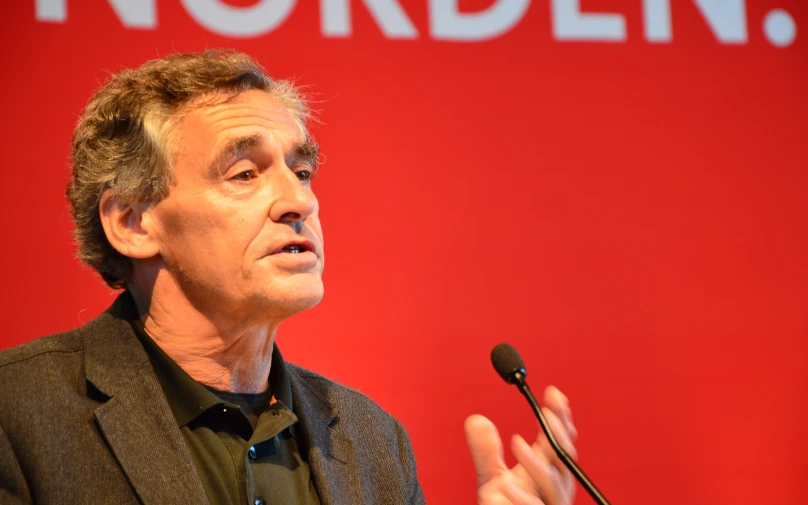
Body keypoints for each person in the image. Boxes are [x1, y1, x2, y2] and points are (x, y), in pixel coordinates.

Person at [0, 50, 578, 505]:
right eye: (245, 172)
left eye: (302, 171)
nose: (296, 200)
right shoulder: (20, 413)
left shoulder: (371, 440)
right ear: (132, 223)